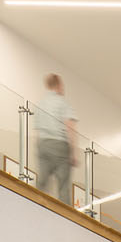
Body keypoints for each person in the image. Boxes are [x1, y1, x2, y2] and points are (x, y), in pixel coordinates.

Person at [33, 73, 80, 202]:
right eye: (62, 86)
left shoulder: (40, 104)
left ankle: (35, 206)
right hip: (60, 145)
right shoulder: (63, 103)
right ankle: (65, 218)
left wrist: (39, 147)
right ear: (59, 85)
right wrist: (74, 153)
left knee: (42, 182)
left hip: (43, 144)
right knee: (63, 185)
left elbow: (37, 131)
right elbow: (70, 127)